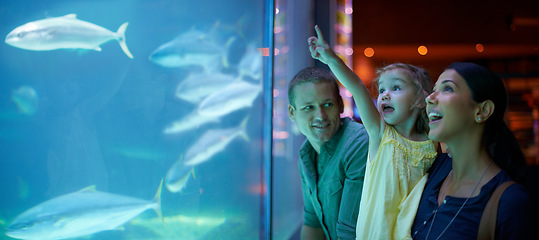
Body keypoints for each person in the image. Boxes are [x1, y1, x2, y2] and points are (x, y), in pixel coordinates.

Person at [308, 25, 438, 240]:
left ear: (419, 99)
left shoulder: (432, 142)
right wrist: (331, 59)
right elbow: (358, 88)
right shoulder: (382, 134)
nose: (385, 95)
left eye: (396, 88)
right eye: (382, 89)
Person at [411, 62, 533, 239]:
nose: (430, 98)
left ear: (482, 111)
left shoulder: (510, 203)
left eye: (448, 89)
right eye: (434, 89)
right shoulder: (434, 170)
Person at [288, 66, 369, 240]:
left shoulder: (357, 143)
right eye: (308, 107)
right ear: (292, 113)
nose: (320, 115)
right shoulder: (306, 153)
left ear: (340, 105)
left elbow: (349, 234)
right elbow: (313, 223)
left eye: (327, 104)